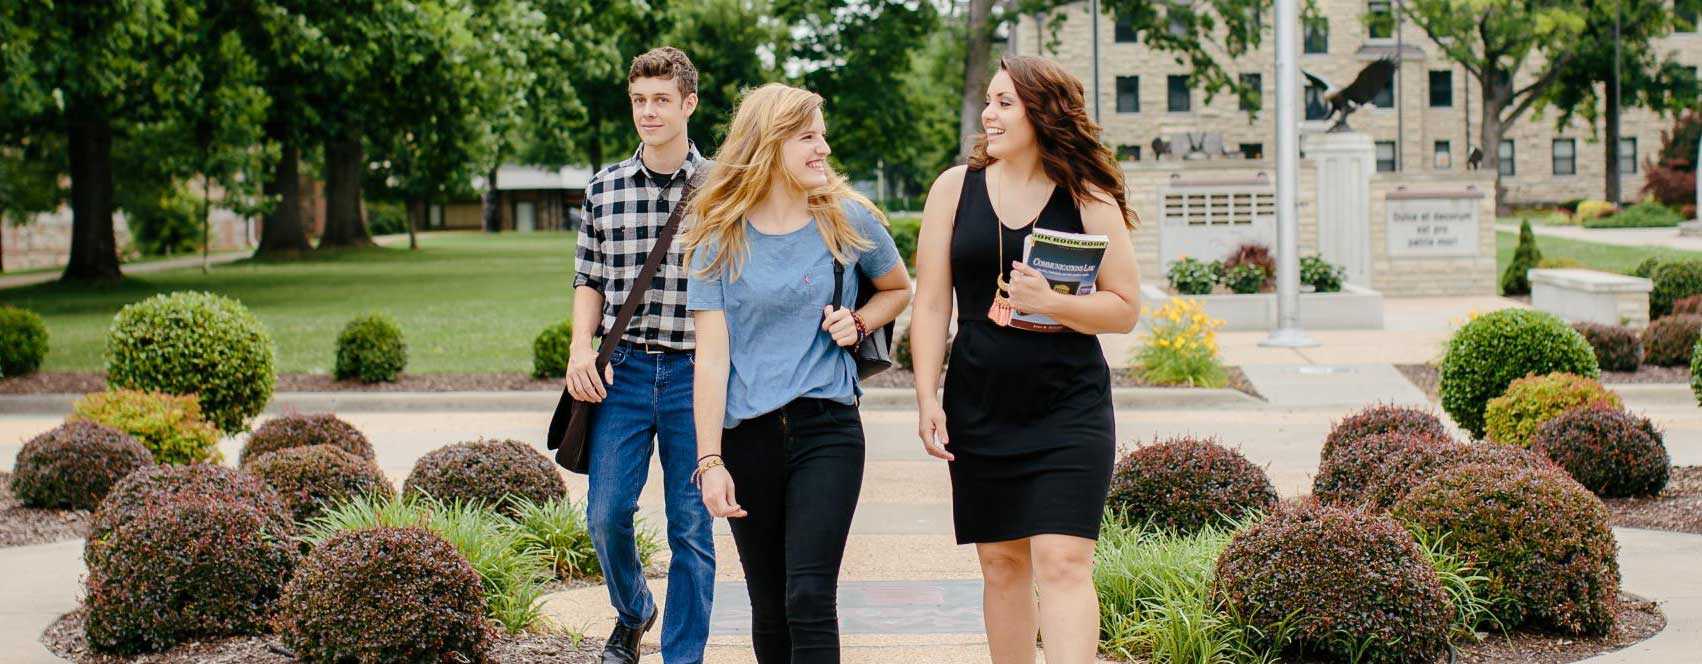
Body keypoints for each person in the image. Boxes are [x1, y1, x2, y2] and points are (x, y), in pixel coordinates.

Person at [907, 55, 1142, 664]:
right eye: (988, 100)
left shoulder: (1087, 196)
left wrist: (1052, 303)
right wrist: (928, 397)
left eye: (1005, 102)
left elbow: (1124, 309)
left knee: (1063, 561)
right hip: (980, 402)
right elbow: (931, 305)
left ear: (1043, 113)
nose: (989, 114)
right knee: (1002, 564)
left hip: (1069, 406)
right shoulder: (953, 189)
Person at [683, 82, 911, 664]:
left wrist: (858, 323)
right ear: (771, 143)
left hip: (827, 427)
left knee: (809, 595)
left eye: (823, 137)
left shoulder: (847, 218)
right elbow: (710, 359)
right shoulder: (719, 233)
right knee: (769, 603)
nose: (824, 150)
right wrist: (709, 461)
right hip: (746, 438)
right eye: (809, 137)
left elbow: (897, 289)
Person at [566, 46, 715, 664]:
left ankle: (683, 657)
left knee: (691, 528)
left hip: (694, 373)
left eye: (660, 100)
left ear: (688, 103)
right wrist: (580, 347)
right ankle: (633, 610)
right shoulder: (604, 186)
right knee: (605, 514)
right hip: (620, 370)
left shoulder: (722, 188)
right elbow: (588, 279)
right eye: (638, 101)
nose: (648, 113)